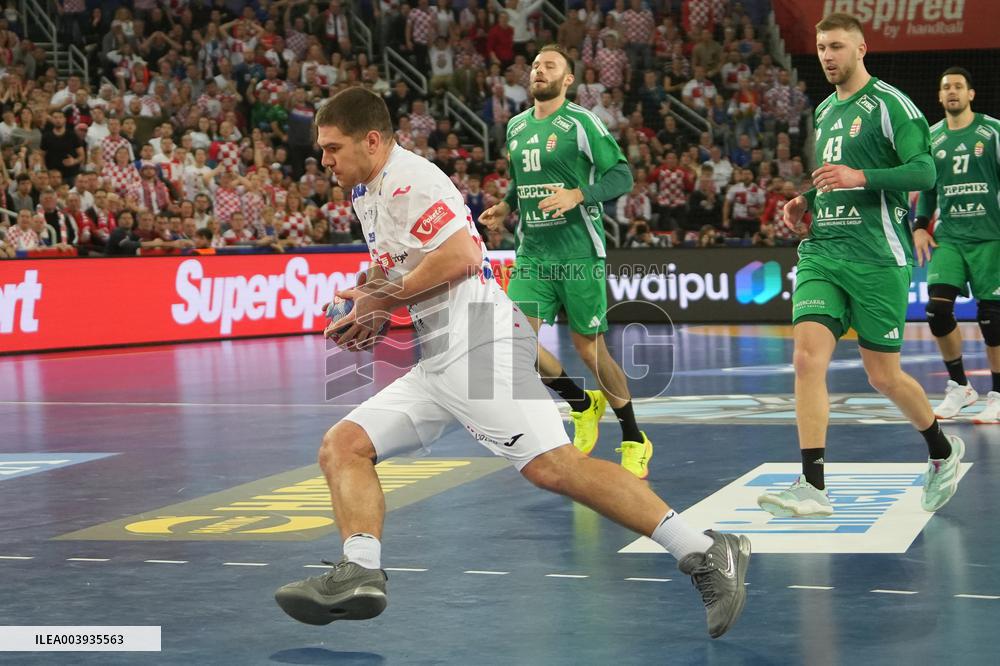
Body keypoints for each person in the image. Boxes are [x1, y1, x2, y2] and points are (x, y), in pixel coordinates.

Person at [273, 87, 751, 639]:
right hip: (438, 356)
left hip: (479, 341)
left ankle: (705, 551)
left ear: (372, 141)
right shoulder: (367, 193)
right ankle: (359, 570)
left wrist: (384, 298)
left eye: (332, 148)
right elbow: (400, 270)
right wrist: (370, 303)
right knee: (344, 446)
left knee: (554, 466)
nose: (323, 159)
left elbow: (463, 256)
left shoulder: (412, 179)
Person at [756, 13, 965, 518]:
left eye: (837, 46)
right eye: (822, 46)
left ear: (861, 48)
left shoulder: (893, 106)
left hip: (878, 257)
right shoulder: (825, 110)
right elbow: (836, 177)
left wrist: (859, 176)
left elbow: (923, 169)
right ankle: (812, 484)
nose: (828, 55)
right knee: (807, 359)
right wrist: (806, 198)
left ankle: (942, 449)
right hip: (824, 252)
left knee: (883, 376)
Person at [479, 44, 654, 478]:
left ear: (568, 79)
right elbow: (522, 183)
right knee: (515, 343)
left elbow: (622, 175)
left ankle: (633, 436)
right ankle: (580, 403)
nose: (539, 71)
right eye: (536, 66)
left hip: (579, 252)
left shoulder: (582, 122)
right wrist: (505, 205)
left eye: (549, 66)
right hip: (533, 254)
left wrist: (579, 194)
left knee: (589, 348)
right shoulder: (517, 127)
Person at [914, 67, 1000, 423]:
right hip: (949, 237)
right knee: (936, 310)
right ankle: (960, 387)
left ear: (970, 94)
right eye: (945, 86)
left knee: (993, 320)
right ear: (939, 96)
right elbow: (928, 187)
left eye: (958, 86)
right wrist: (920, 225)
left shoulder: (992, 131)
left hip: (991, 238)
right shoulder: (931, 137)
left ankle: (998, 394)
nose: (952, 91)